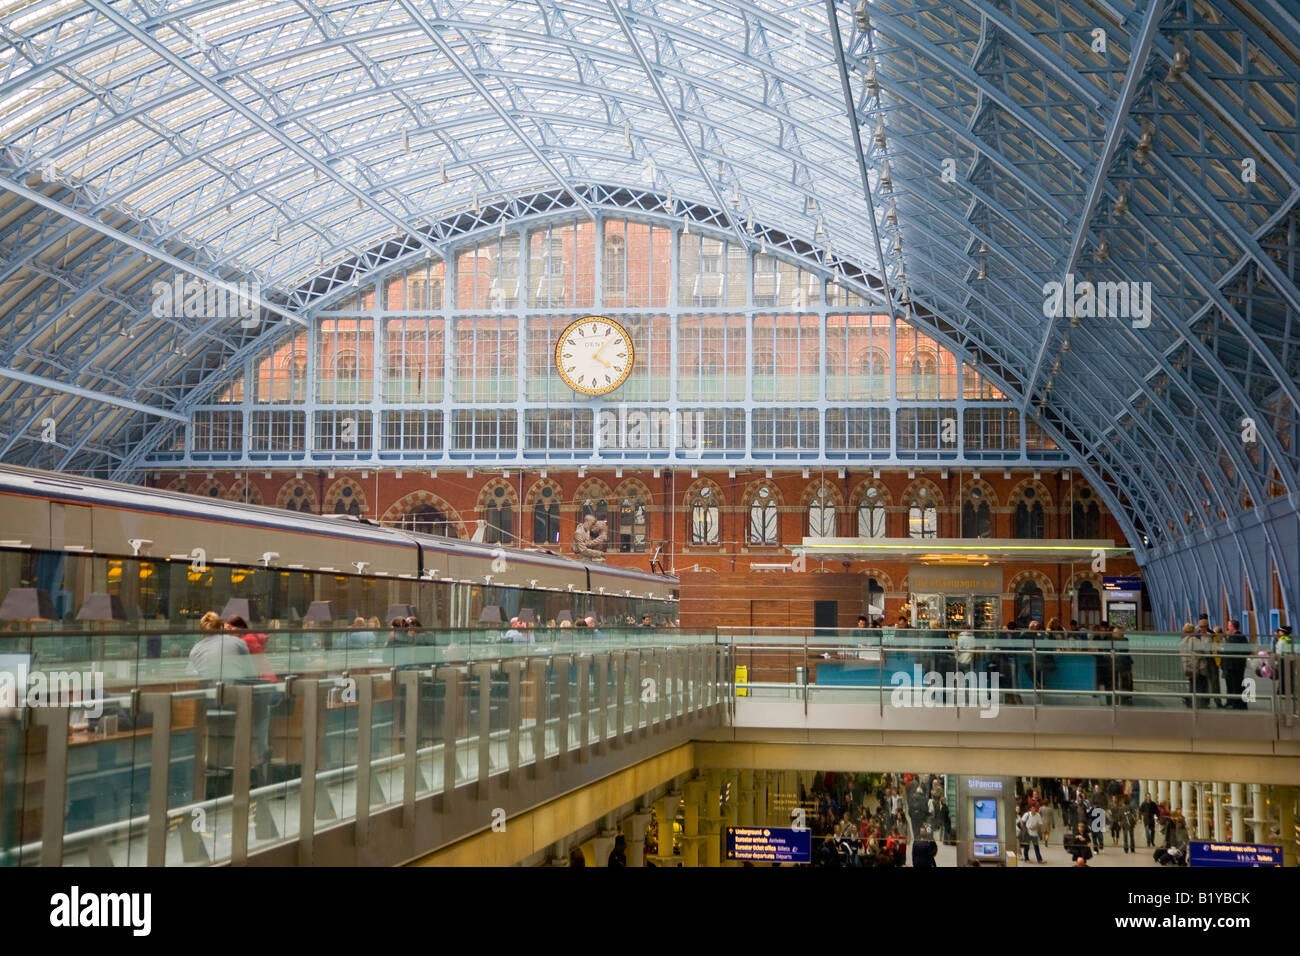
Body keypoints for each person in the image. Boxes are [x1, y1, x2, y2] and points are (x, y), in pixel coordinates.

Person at [188, 610, 251, 680]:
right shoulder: (238, 642)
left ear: (202, 631)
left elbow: (190, 673)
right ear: (221, 627)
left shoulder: (194, 650)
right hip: (236, 687)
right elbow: (250, 672)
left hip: (209, 689)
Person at [1180, 623, 1209, 707]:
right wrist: (1205, 637)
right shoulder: (1193, 640)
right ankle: (1199, 704)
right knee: (1200, 686)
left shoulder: (1182, 641)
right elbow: (1203, 650)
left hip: (1188, 667)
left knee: (1192, 685)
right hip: (1197, 667)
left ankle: (1190, 701)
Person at [1222, 619, 1249, 709]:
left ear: (1232, 627)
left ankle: (1236, 703)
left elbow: (1231, 651)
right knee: (1232, 684)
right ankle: (1232, 701)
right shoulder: (1240, 637)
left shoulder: (1236, 638)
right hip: (1234, 665)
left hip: (1234, 665)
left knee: (1235, 685)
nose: (1227, 627)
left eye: (1229, 626)